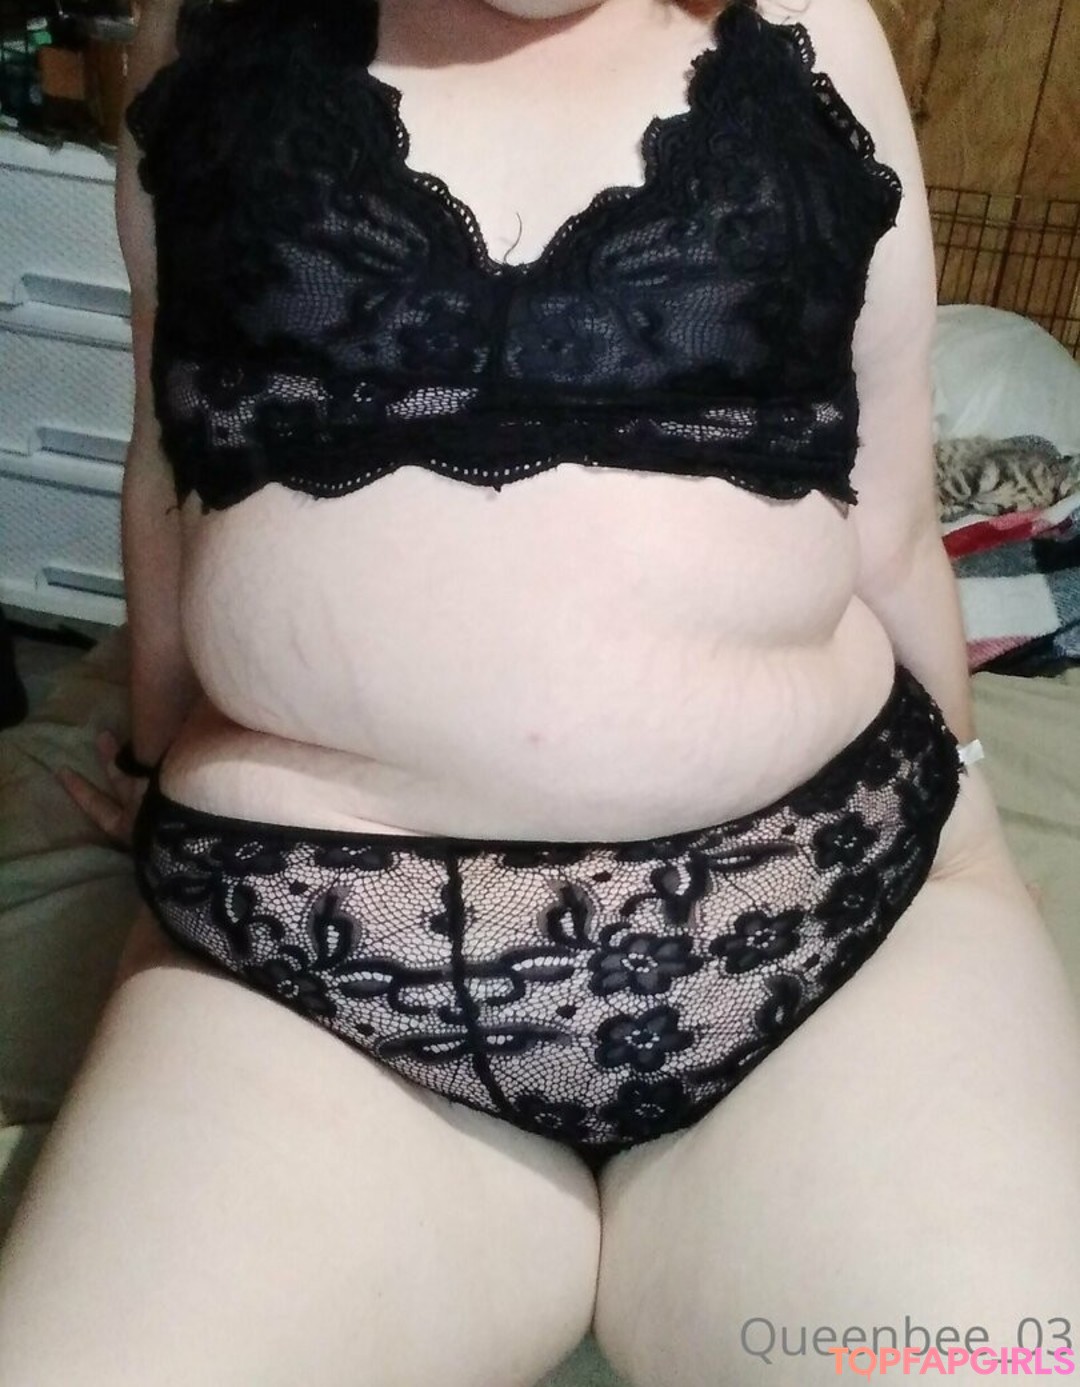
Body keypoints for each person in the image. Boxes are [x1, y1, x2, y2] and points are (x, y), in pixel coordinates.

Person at [1, 0, 1078, 1381]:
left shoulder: (813, 31)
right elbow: (171, 451)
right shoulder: (203, 27)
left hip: (828, 901)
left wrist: (965, 813)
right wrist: (152, 755)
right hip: (311, 952)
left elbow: (890, 506)